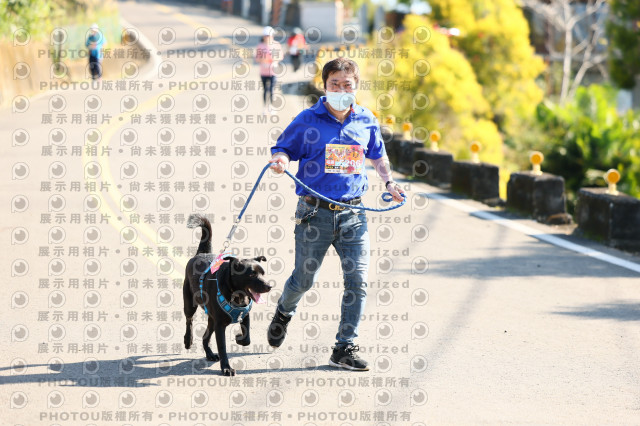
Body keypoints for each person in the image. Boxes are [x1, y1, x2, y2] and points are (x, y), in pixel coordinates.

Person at [267, 57, 405, 371]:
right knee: (304, 279)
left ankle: (344, 347)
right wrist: (281, 160)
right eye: (335, 84)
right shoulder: (307, 120)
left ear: (356, 87)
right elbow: (283, 148)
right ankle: (284, 313)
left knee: (358, 282)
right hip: (313, 213)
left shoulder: (366, 120)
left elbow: (378, 155)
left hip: (353, 214)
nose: (341, 90)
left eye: (347, 85)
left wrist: (390, 182)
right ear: (325, 86)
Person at [255, 26, 284, 115]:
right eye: (266, 36)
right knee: (265, 90)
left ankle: (271, 107)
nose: (267, 37)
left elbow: (280, 56)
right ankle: (265, 107)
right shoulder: (260, 46)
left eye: (269, 35)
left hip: (273, 72)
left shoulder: (276, 45)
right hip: (263, 72)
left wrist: (275, 62)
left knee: (271, 90)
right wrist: (263, 61)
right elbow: (257, 58)